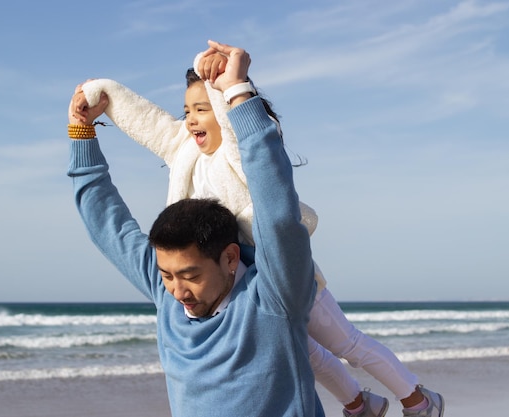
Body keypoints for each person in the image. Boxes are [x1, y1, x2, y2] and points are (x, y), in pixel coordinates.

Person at [77, 44, 445, 417]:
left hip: (277, 279)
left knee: (345, 343)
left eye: (203, 109)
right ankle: (359, 403)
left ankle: (416, 399)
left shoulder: (235, 153)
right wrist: (100, 101)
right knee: (306, 353)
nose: (190, 120)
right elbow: (144, 139)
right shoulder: (185, 154)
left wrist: (233, 89)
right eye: (187, 111)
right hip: (232, 284)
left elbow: (274, 201)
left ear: (222, 112)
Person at [67, 40, 325, 417]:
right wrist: (81, 132)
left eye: (189, 275)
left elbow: (278, 213)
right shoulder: (167, 295)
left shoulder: (273, 300)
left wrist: (237, 91)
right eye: (168, 275)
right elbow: (106, 223)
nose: (177, 290)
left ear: (230, 257)